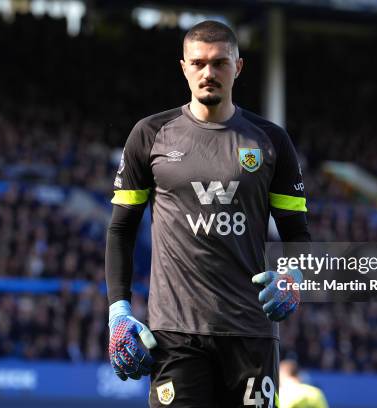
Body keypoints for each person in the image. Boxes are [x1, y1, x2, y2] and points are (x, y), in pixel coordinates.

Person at [106, 20, 310, 407]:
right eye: (198, 63)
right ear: (183, 67)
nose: (208, 73)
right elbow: (121, 229)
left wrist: (294, 275)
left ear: (238, 67)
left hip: (252, 333)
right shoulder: (150, 135)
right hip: (176, 336)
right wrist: (119, 310)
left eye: (219, 63)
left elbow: (297, 233)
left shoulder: (272, 141)